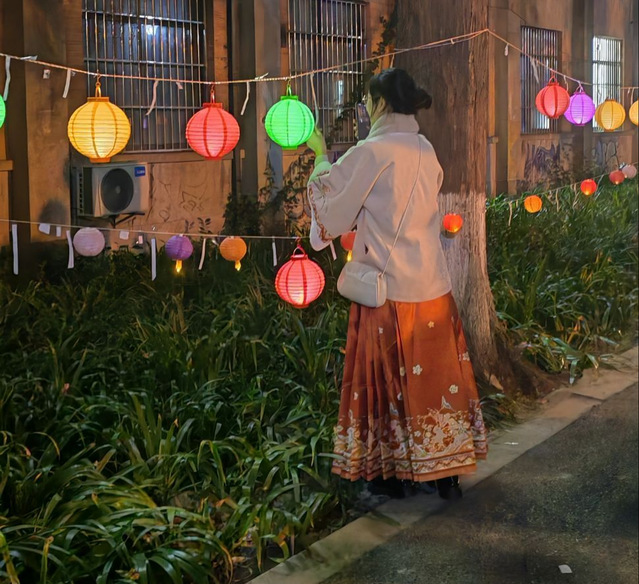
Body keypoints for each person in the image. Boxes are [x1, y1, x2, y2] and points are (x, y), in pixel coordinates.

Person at [305, 68, 488, 500]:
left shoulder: (372, 151)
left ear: (381, 103)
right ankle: (446, 474)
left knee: (383, 383)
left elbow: (331, 209)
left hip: (387, 292)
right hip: (433, 288)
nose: (366, 108)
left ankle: (387, 474)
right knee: (439, 382)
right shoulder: (425, 149)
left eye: (369, 101)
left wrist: (319, 155)